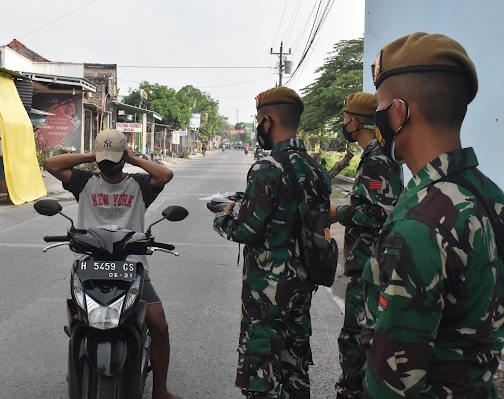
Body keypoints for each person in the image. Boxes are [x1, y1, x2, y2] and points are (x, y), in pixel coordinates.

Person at [363, 32, 504, 397]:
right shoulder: (490, 197)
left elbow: (393, 383)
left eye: (379, 107)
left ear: (397, 112)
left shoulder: (418, 224)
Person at [212, 86, 331, 399]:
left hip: (268, 290)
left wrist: (223, 217)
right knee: (295, 369)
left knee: (261, 376)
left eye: (257, 120)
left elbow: (245, 231)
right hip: (302, 283)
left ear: (268, 121)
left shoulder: (267, 168)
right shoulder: (315, 166)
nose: (257, 127)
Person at [44, 129, 178, 399]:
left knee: (159, 324)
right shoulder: (84, 181)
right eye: (103, 158)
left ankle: (161, 389)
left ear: (123, 157)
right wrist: (94, 154)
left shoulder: (139, 184)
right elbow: (51, 164)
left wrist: (133, 159)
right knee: (80, 319)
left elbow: (165, 175)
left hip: (131, 264)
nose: (107, 164)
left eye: (111, 157)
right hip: (90, 264)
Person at [331, 93, 403, 399]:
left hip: (371, 265)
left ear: (355, 121)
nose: (344, 123)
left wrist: (339, 212)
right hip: (367, 263)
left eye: (346, 117)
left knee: (358, 340)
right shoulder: (377, 154)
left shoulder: (377, 159)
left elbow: (380, 214)